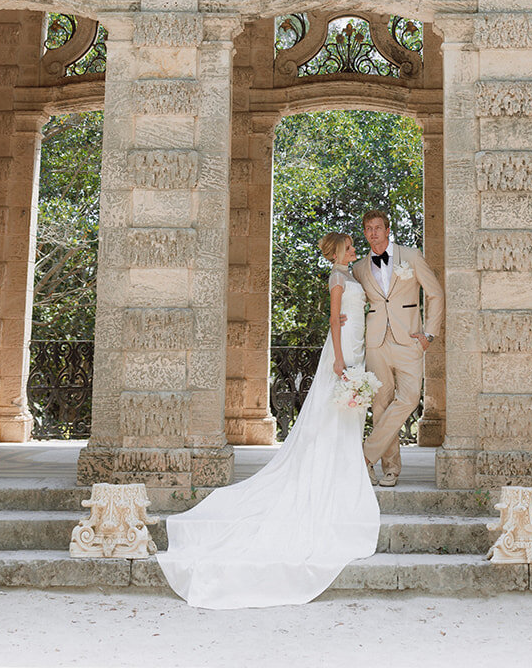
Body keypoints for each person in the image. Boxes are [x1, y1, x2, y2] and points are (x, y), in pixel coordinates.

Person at [156, 231, 379, 608]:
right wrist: (339, 360)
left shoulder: (353, 275)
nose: (355, 249)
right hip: (344, 351)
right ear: (339, 252)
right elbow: (334, 322)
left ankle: (345, 463)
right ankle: (336, 468)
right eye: (350, 246)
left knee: (347, 414)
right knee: (334, 413)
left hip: (358, 346)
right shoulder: (338, 279)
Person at [352, 208, 444, 486]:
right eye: (368, 228)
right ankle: (389, 469)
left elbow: (436, 294)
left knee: (409, 398)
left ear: (388, 230)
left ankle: (365, 456)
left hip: (409, 341)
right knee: (380, 405)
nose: (373, 233)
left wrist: (429, 334)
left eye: (378, 227)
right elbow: (352, 301)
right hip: (376, 343)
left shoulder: (411, 257)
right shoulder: (359, 268)